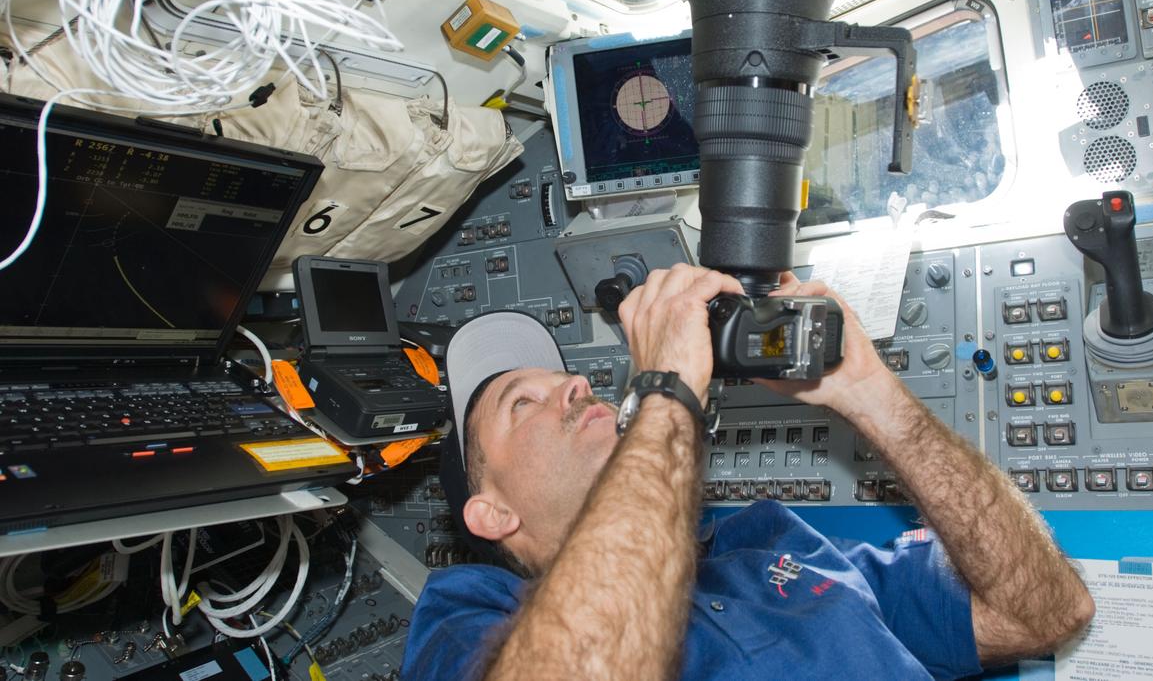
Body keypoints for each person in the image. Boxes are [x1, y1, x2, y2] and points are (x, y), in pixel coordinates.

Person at [401, 264, 1095, 681]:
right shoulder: (470, 616)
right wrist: (668, 392)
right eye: (522, 401)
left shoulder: (767, 545)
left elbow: (1045, 611)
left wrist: (871, 395)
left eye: (570, 377)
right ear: (491, 513)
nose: (577, 388)